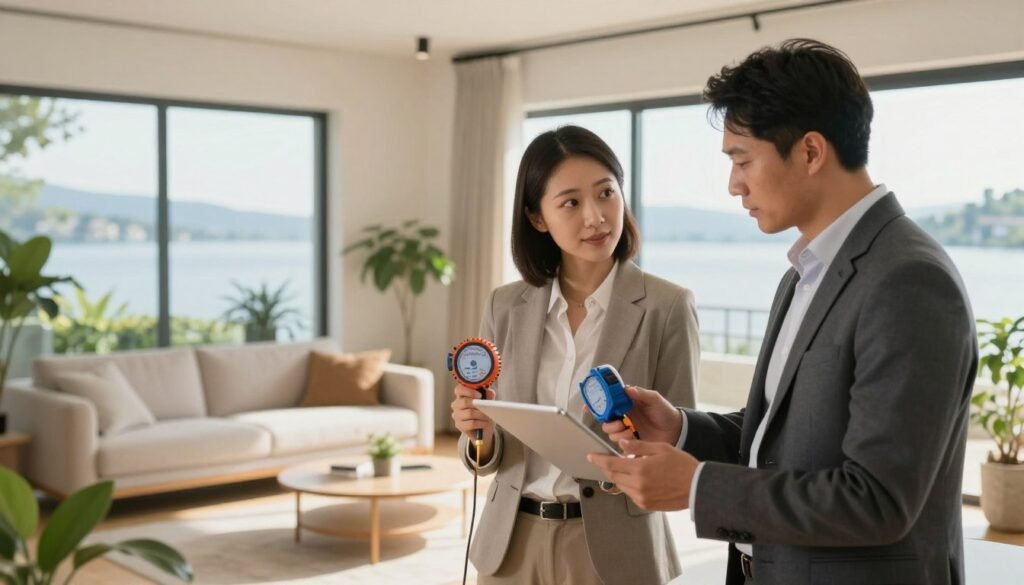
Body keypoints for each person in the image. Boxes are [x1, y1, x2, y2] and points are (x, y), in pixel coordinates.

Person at [589, 39, 978, 585]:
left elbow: (878, 499)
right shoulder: (803, 272)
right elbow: (785, 435)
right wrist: (679, 429)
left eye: (742, 160)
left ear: (811, 152)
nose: (733, 184)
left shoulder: (908, 280)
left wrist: (700, 487)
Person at [450, 125, 700, 585]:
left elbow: (683, 440)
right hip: (510, 544)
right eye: (570, 202)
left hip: (614, 548)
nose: (596, 216)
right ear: (537, 218)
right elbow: (487, 455)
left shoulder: (668, 306)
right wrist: (476, 432)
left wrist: (633, 441)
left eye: (606, 193)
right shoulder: (504, 305)